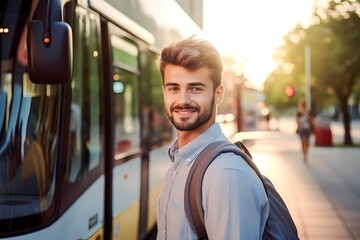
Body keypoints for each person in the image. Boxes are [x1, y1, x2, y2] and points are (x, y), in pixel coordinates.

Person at [156, 36, 269, 240]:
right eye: (173, 88)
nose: (182, 100)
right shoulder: (177, 163)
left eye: (195, 88)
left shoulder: (227, 175)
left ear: (218, 94)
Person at [296, 98, 314, 163]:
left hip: (308, 129)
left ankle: (306, 154)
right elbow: (297, 121)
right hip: (302, 129)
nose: (304, 106)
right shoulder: (299, 113)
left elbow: (312, 121)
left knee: (307, 143)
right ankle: (304, 155)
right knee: (303, 142)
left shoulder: (308, 112)